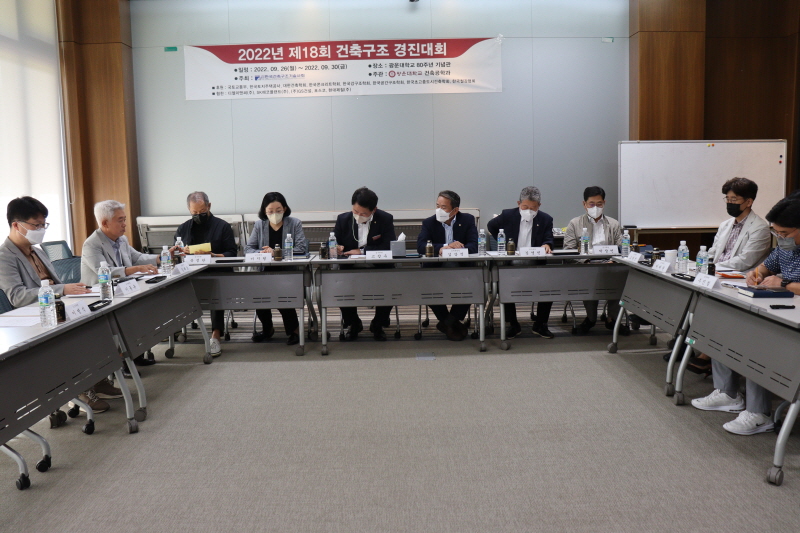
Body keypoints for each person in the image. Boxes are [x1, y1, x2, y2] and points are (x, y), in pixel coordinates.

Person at [690, 194, 800, 435]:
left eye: (784, 233)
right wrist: (757, 274)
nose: (780, 238)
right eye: (776, 233)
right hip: (781, 309)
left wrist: (784, 284)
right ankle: (728, 393)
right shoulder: (785, 247)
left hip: (793, 319)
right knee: (726, 324)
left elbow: (787, 283)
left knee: (755, 341)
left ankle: (759, 413)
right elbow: (766, 267)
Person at [1, 197, 118, 413]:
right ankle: (80, 390)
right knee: (75, 337)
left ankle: (98, 379)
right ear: (16, 225)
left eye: (43, 225)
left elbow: (54, 284)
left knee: (96, 324)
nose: (41, 230)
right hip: (32, 319)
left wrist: (72, 290)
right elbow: (17, 296)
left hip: (58, 309)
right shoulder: (4, 256)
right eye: (36, 225)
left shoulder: (38, 251)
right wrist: (62, 290)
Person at [686, 177, 772, 373]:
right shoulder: (726, 224)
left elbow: (745, 261)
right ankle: (686, 343)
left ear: (748, 202)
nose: (730, 203)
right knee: (690, 297)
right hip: (717, 275)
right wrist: (702, 264)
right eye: (728, 199)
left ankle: (706, 354)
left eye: (734, 200)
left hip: (739, 280)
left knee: (715, 308)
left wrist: (713, 267)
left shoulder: (760, 227)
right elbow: (713, 251)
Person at [81, 199, 161, 367]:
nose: (125, 224)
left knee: (141, 308)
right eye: (120, 220)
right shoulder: (91, 244)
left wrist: (160, 258)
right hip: (100, 296)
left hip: (122, 290)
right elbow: (105, 272)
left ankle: (135, 353)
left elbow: (137, 257)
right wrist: (134, 269)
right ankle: (121, 361)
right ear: (105, 223)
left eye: (124, 219)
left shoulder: (122, 239)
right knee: (124, 318)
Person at [174, 191, 238, 357]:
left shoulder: (222, 226)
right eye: (194, 212)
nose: (198, 215)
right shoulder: (183, 228)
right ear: (189, 210)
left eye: (202, 211)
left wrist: (214, 255)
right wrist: (181, 252)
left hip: (217, 272)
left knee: (215, 288)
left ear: (209, 206)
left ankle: (216, 334)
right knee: (174, 288)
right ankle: (174, 328)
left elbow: (232, 253)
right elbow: (176, 254)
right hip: (191, 274)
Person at [487, 186, 555, 339]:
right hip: (511, 264)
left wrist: (547, 244)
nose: (529, 211)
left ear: (539, 206)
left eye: (533, 208)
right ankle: (513, 324)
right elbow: (491, 225)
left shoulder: (546, 219)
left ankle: (540, 324)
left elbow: (548, 238)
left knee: (549, 284)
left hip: (536, 264)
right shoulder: (507, 215)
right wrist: (503, 242)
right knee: (503, 283)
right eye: (525, 207)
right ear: (518, 203)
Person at [333, 187, 396, 341]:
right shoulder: (343, 219)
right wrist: (337, 247)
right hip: (349, 268)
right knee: (339, 286)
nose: (358, 216)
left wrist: (362, 252)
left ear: (374, 210)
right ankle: (353, 323)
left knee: (391, 285)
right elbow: (335, 242)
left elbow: (389, 245)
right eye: (355, 211)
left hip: (379, 267)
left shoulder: (385, 219)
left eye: (364, 214)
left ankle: (378, 324)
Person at [245, 192, 306, 346]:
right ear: (264, 211)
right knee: (258, 295)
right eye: (270, 211)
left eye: (278, 210)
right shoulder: (259, 225)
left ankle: (294, 330)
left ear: (284, 208)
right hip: (264, 272)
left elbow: (301, 248)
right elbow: (248, 249)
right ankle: (267, 329)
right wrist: (261, 253)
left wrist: (276, 252)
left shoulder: (294, 223)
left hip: (288, 272)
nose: (274, 214)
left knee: (281, 293)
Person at [416, 190, 478, 341]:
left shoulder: (467, 220)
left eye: (443, 207)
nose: (439, 210)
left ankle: (448, 322)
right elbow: (421, 246)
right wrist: (444, 247)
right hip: (435, 270)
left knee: (473, 282)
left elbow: (474, 245)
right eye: (437, 206)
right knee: (427, 285)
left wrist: (459, 248)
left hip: (462, 269)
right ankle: (448, 321)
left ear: (455, 210)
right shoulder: (429, 222)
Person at [563, 186, 626, 336]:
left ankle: (612, 319)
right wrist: (586, 261)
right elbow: (568, 250)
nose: (595, 207)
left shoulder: (614, 224)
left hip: (610, 265)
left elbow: (621, 248)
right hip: (586, 266)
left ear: (604, 203)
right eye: (591, 204)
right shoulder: (575, 223)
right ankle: (591, 319)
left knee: (621, 277)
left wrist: (614, 261)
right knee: (590, 277)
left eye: (599, 204)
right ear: (584, 204)